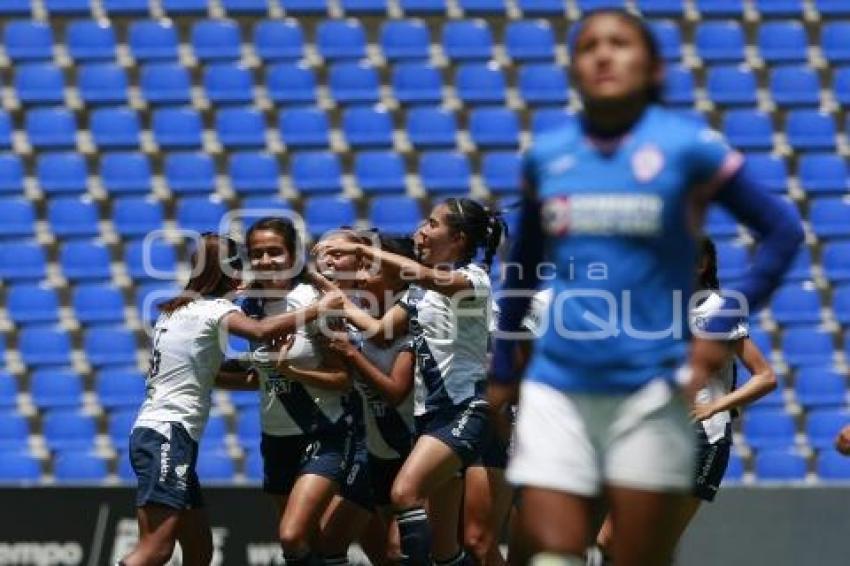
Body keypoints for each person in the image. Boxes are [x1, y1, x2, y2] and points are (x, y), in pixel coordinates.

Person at [488, 9, 803, 566]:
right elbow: (523, 265)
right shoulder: (548, 156)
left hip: (652, 389)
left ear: (654, 66)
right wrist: (507, 370)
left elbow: (781, 231)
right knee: (552, 546)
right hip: (559, 383)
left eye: (620, 43)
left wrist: (726, 319)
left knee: (631, 553)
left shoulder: (689, 148)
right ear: (573, 67)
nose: (603, 54)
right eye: (588, 46)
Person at [121, 233, 342, 566]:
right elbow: (261, 331)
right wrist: (319, 308)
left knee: (199, 551)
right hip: (169, 434)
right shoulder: (215, 309)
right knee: (156, 550)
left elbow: (212, 374)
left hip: (157, 433)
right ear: (230, 272)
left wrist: (267, 370)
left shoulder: (174, 311)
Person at [313, 198, 505, 566]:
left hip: (464, 409)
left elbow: (425, 275)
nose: (422, 231)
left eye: (432, 224)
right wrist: (325, 290)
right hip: (431, 416)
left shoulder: (473, 280)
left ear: (459, 238)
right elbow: (377, 329)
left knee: (404, 493)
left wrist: (357, 248)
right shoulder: (421, 294)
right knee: (445, 550)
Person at [589, 237, 778, 563]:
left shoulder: (719, 309)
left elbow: (765, 376)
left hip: (703, 438)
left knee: (650, 547)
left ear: (701, 264)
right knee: (609, 540)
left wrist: (715, 407)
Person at [221, 218, 356, 566]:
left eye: (274, 252)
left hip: (323, 431)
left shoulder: (314, 301)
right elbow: (259, 378)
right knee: (310, 543)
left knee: (292, 535)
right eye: (257, 254)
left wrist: (291, 370)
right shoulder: (248, 307)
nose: (266, 261)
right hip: (277, 437)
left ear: (293, 255)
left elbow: (343, 378)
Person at [321, 234, 418, 565]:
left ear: (396, 274)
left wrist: (351, 354)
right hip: (375, 453)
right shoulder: (359, 314)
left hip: (410, 450)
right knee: (328, 542)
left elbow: (394, 393)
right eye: (360, 264)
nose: (361, 271)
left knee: (400, 552)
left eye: (370, 265)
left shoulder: (410, 321)